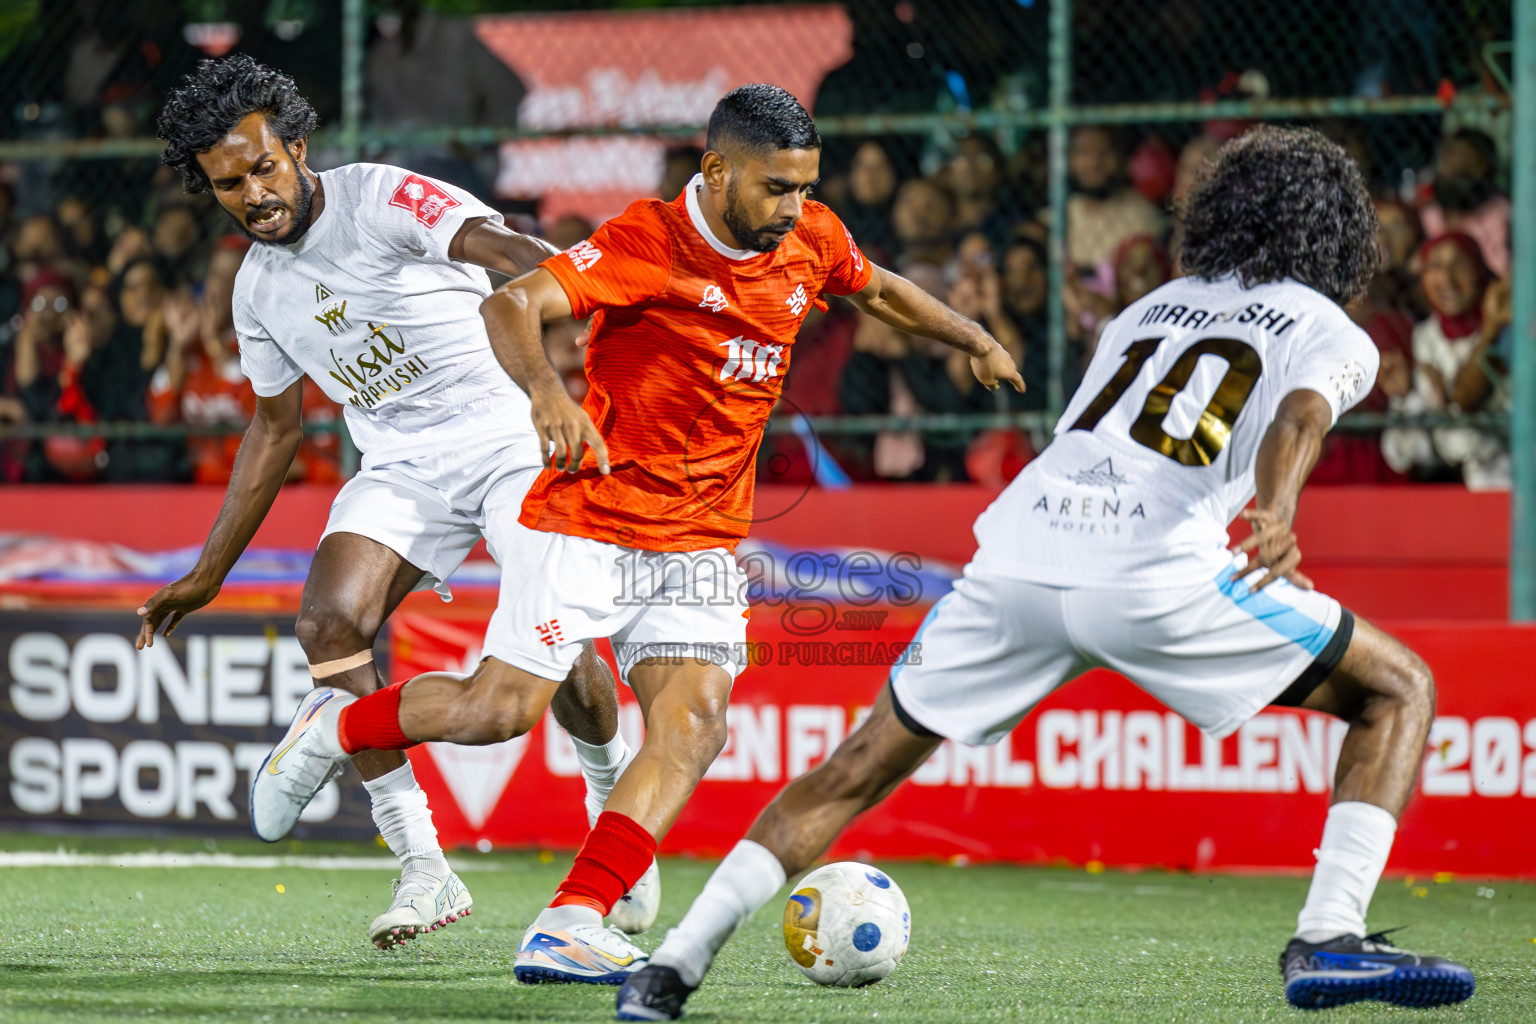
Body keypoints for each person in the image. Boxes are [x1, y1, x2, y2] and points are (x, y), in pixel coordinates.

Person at [616, 126, 1475, 1020]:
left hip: (1019, 555)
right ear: (1335, 233)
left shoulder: (1150, 308)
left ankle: (670, 967)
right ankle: (1329, 935)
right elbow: (1298, 417)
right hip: (1151, 572)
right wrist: (1278, 512)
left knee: (857, 768)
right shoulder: (1331, 328)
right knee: (1398, 689)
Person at [246, 82, 1022, 986]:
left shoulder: (809, 235)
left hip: (699, 536)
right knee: (499, 712)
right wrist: (548, 396)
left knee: (692, 722)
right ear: (717, 169)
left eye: (806, 187)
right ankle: (340, 730)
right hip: (595, 517)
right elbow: (508, 307)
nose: (795, 208)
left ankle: (571, 918)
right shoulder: (644, 241)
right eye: (777, 187)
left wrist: (970, 337)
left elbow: (876, 288)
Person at [135, 55, 653, 951]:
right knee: (329, 624)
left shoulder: (382, 197)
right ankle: (422, 865)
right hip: (405, 463)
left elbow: (508, 255)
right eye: (228, 184)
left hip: (508, 435)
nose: (254, 193)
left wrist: (582, 308)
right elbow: (272, 432)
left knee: (559, 649)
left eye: (264, 167)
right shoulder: (256, 291)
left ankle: (607, 798)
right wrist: (206, 574)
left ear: (297, 147)